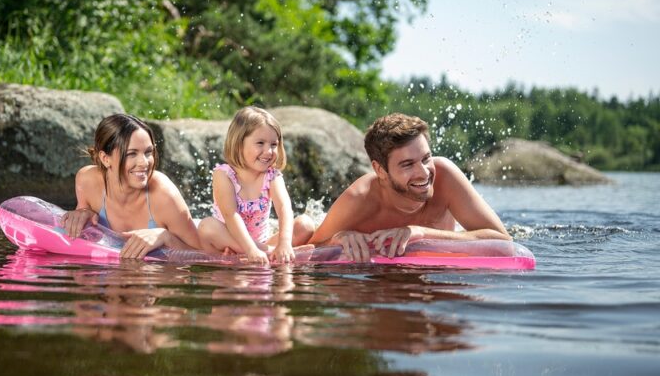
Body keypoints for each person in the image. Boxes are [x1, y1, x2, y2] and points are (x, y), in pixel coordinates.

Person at [308, 112, 510, 262]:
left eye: (426, 158)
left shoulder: (445, 176)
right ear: (380, 170)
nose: (424, 172)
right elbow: (312, 248)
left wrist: (420, 233)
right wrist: (337, 239)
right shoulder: (359, 198)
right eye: (407, 164)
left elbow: (504, 243)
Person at [61, 113, 200, 259]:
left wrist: (166, 237)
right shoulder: (87, 181)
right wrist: (83, 212)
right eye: (131, 154)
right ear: (105, 158)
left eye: (148, 152)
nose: (144, 163)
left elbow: (205, 256)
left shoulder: (164, 196)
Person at [197, 107, 313, 265]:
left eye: (273, 144)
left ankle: (272, 251)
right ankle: (271, 253)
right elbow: (231, 215)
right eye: (260, 143)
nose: (268, 151)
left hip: (262, 242)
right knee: (207, 226)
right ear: (239, 144)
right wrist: (250, 249)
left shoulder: (271, 176)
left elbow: (284, 208)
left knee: (305, 225)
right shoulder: (224, 174)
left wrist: (284, 243)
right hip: (230, 240)